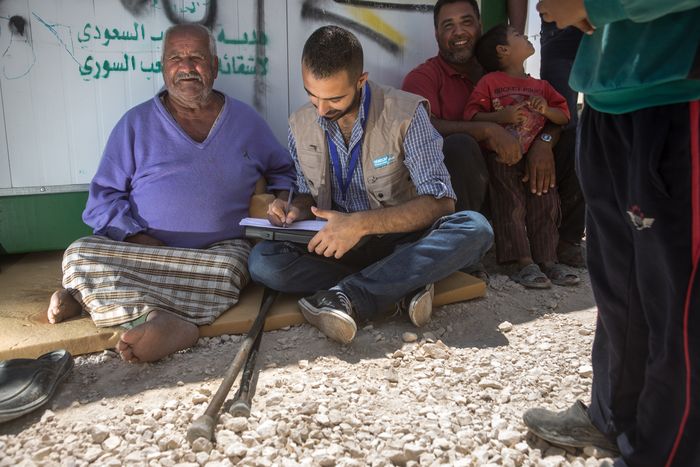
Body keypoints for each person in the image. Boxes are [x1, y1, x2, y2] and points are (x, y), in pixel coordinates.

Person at [45, 24, 296, 363]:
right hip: (142, 250)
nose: (187, 67)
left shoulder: (246, 121)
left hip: (215, 255)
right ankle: (166, 320)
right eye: (176, 57)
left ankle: (101, 302)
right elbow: (102, 199)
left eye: (197, 57)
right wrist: (137, 239)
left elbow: (284, 171)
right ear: (163, 66)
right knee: (79, 255)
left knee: (233, 269)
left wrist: (281, 199)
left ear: (215, 66)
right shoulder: (135, 123)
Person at [523, 1, 700, 466]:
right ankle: (613, 418)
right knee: (619, 284)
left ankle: (666, 452)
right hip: (605, 96)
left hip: (677, 94)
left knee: (678, 304)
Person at [247, 25, 493, 345]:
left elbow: (440, 202)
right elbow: (308, 193)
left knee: (475, 229)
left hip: (400, 239)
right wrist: (293, 209)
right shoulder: (300, 123)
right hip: (338, 245)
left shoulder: (406, 114)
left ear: (360, 81)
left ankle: (350, 295)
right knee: (263, 262)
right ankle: (399, 284)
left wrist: (359, 224)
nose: (321, 110)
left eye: (335, 98)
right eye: (312, 95)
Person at [401, 0, 586, 268]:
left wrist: (542, 143)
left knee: (574, 138)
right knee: (461, 145)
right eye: (448, 26)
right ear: (436, 34)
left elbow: (550, 116)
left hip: (518, 172)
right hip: (472, 187)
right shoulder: (424, 77)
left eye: (466, 22)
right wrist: (487, 129)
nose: (459, 32)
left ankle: (565, 241)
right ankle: (464, 248)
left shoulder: (505, 71)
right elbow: (422, 127)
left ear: (480, 25)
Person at [464, 24, 579, 288]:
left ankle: (548, 261)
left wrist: (547, 110)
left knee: (545, 202)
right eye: (517, 35)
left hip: (535, 160)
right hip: (502, 159)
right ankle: (523, 262)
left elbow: (564, 116)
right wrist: (500, 118)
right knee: (511, 205)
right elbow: (471, 115)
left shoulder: (541, 86)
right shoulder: (490, 82)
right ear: (503, 51)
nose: (525, 35)